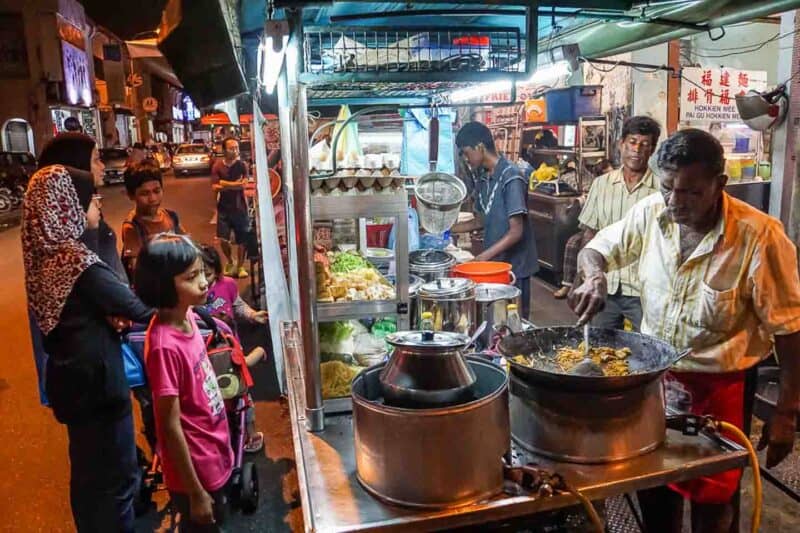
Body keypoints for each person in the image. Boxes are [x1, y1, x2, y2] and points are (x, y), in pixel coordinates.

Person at [569, 129, 800, 533]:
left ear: (719, 184)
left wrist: (787, 412)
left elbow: (790, 331)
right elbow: (598, 248)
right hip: (655, 383)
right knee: (655, 494)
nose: (675, 202)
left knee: (713, 506)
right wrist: (593, 277)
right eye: (667, 188)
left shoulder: (760, 237)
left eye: (690, 193)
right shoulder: (651, 213)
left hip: (720, 391)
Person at [22, 138, 154, 531]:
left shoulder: (45, 254)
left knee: (89, 476)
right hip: (96, 380)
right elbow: (134, 307)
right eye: (87, 199)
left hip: (71, 379)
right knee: (114, 478)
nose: (97, 203)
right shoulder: (73, 258)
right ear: (67, 206)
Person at [135, 234, 234, 531]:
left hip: (213, 448)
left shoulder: (188, 314)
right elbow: (168, 425)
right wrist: (195, 492)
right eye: (191, 277)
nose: (204, 282)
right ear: (163, 286)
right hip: (196, 468)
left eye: (202, 272)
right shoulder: (165, 344)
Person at [565, 116, 661, 330]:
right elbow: (589, 235)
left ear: (652, 150)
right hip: (604, 286)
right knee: (600, 346)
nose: (637, 149)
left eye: (645, 144)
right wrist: (578, 279)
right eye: (633, 142)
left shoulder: (661, 190)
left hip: (643, 290)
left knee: (647, 347)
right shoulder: (601, 185)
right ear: (621, 144)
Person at [452, 122, 538, 319]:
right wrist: (448, 229)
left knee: (514, 322)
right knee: (494, 320)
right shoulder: (484, 178)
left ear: (480, 147)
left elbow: (516, 232)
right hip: (495, 264)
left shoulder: (511, 177)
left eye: (467, 153)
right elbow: (480, 220)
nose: (466, 159)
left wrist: (482, 257)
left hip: (514, 267)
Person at [199, 244, 268, 452]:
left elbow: (237, 305)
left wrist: (253, 314)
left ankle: (251, 431)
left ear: (217, 271)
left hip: (230, 352)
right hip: (202, 355)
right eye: (197, 274)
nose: (203, 281)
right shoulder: (190, 294)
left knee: (242, 394)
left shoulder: (227, 285)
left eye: (208, 274)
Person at [553, 158, 615, 300]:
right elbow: (584, 199)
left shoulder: (619, 190)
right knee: (572, 243)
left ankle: (579, 287)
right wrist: (576, 202)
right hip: (593, 230)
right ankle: (567, 284)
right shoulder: (597, 188)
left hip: (608, 234)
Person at [120, 160, 185, 281]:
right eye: (144, 194)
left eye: (157, 191)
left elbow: (188, 244)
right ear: (131, 195)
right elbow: (136, 268)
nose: (152, 198)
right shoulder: (133, 227)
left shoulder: (171, 216)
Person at [211, 137, 251, 278]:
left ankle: (240, 267)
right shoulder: (217, 166)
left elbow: (244, 184)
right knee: (223, 239)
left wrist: (225, 183)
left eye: (236, 148)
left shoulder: (242, 165)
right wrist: (234, 184)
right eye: (231, 148)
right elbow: (215, 187)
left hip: (240, 208)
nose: (235, 150)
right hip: (223, 208)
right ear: (224, 150)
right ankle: (229, 261)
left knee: (242, 239)